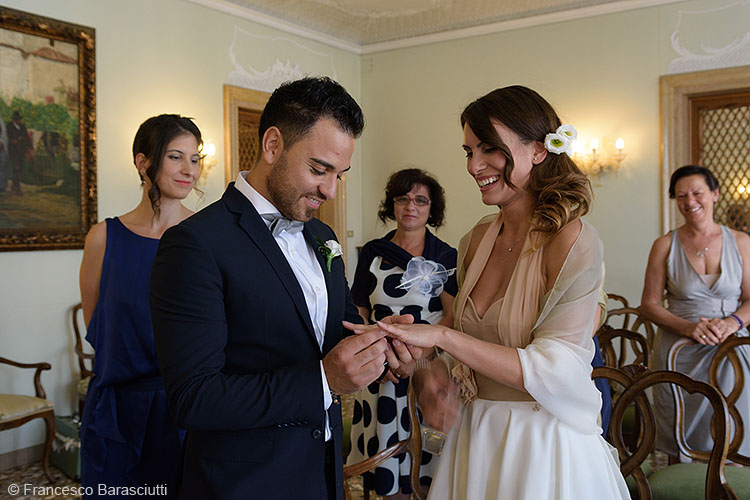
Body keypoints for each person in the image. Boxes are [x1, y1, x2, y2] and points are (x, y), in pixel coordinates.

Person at [352, 86, 629, 499]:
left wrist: (441, 335)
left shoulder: (573, 240)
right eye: (469, 151)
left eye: (489, 148)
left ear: (539, 150)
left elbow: (556, 369)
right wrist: (424, 365)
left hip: (542, 446)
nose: (473, 165)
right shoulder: (475, 240)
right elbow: (466, 357)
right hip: (476, 438)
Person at [150, 77, 405, 500]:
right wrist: (323, 380)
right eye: (319, 169)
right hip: (244, 485)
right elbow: (194, 397)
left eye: (339, 175)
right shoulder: (195, 243)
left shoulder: (322, 235)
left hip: (323, 473)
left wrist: (382, 346)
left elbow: (337, 331)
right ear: (272, 145)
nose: (330, 190)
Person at [78, 114, 203, 497]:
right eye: (176, 157)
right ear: (143, 161)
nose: (190, 171)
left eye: (195, 159)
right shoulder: (103, 238)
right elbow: (97, 325)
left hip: (182, 414)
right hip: (115, 415)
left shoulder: (205, 238)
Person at [346, 168, 458, 499]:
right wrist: (374, 352)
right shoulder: (373, 251)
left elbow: (452, 315)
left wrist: (420, 356)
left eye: (421, 200)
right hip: (379, 368)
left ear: (431, 209)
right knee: (385, 463)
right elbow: (359, 307)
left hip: (424, 368)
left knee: (425, 462)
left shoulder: (445, 256)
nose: (411, 206)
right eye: (403, 198)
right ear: (392, 204)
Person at [641, 165, 750, 462]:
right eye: (681, 196)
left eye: (697, 193)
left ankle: (731, 482)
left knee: (734, 429)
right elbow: (649, 305)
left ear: (714, 194)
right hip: (679, 351)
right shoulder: (664, 245)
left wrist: (732, 323)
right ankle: (681, 480)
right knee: (680, 434)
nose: (690, 202)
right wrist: (689, 328)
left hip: (730, 348)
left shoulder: (741, 242)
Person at [7, 110, 32, 195]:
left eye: (18, 119)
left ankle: (14, 185)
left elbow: (26, 137)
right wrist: (17, 139)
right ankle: (17, 187)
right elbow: (9, 137)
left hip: (21, 150)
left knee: (20, 167)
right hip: (13, 150)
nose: (17, 121)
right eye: (16, 119)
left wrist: (29, 146)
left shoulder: (22, 126)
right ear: (13, 119)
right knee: (16, 167)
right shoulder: (9, 126)